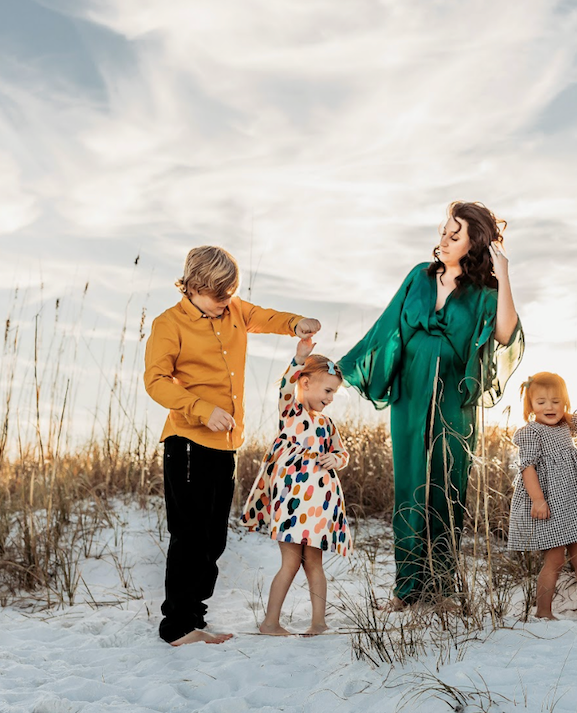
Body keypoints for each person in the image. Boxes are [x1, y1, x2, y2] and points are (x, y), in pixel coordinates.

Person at [336, 201, 523, 607]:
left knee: (448, 486)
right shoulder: (419, 277)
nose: (443, 239)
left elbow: (506, 334)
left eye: (454, 235)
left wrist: (504, 273)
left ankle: (440, 587)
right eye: (443, 231)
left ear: (475, 242)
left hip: (455, 397)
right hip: (410, 392)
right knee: (410, 486)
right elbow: (386, 327)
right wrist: (343, 369)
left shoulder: (486, 291)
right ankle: (406, 589)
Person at [144, 246, 321, 646]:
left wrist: (297, 323)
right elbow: (155, 381)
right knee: (189, 534)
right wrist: (201, 408)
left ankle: (195, 615)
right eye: (218, 296)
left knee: (214, 537)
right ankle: (177, 626)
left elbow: (266, 317)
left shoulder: (234, 310)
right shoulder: (168, 324)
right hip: (188, 441)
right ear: (193, 286)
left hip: (225, 445)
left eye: (230, 295)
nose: (226, 303)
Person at [240, 337, 352, 636]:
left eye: (334, 393)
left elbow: (342, 453)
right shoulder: (291, 413)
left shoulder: (327, 425)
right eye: (327, 390)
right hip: (291, 500)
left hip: (319, 501)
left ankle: (318, 622)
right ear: (304, 383)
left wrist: (335, 459)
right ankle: (270, 622)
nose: (330, 398)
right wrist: (299, 358)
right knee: (290, 561)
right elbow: (285, 386)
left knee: (314, 561)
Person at [507, 372, 577, 621]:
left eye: (555, 401)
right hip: (551, 505)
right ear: (530, 406)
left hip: (574, 503)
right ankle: (543, 611)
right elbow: (527, 468)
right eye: (541, 402)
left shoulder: (567, 425)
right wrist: (538, 500)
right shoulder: (531, 433)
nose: (549, 407)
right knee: (554, 559)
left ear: (564, 402)